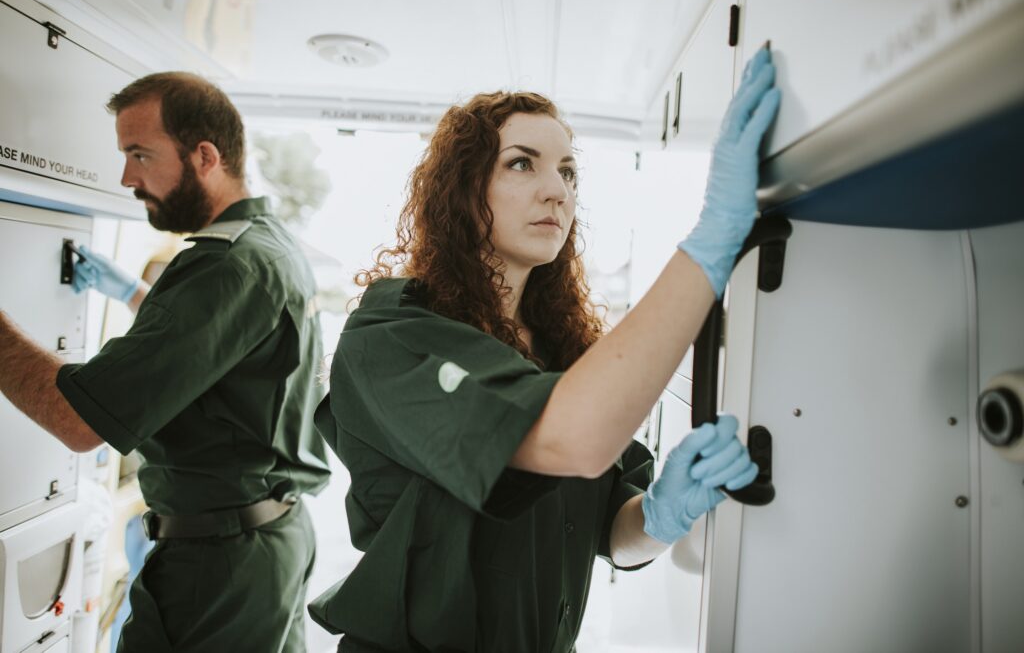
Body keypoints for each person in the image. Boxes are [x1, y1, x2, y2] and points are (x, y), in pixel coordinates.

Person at [309, 47, 781, 651]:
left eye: (568, 171)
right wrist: (713, 239)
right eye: (522, 164)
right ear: (461, 190)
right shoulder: (392, 336)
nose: (557, 190)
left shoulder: (566, 351)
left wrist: (663, 516)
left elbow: (612, 532)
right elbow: (567, 440)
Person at [0, 72, 331, 652]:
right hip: (264, 541)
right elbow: (218, 354)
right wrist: (134, 294)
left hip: (220, 563)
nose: (128, 177)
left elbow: (79, 421)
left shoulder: (224, 264)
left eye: (139, 154)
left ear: (205, 156)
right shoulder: (268, 243)